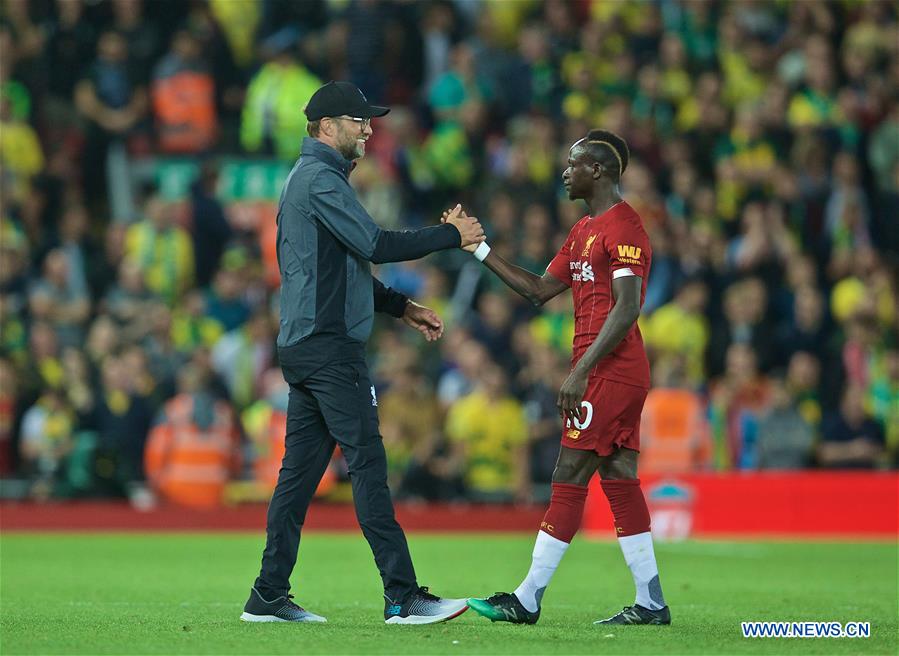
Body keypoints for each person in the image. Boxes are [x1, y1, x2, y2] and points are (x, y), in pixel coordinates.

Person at [241, 81, 485, 625]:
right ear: (328, 127)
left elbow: (341, 269)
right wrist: (450, 235)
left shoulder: (308, 180)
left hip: (307, 344)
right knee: (368, 463)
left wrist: (401, 306)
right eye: (359, 120)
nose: (369, 129)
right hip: (330, 348)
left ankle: (267, 594)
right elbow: (375, 245)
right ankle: (402, 596)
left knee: (298, 478)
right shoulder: (320, 180)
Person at [457, 130, 671, 625]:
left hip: (611, 370)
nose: (564, 172)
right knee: (619, 478)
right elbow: (537, 290)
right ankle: (651, 601)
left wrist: (581, 370)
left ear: (597, 170)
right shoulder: (582, 231)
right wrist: (480, 250)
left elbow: (627, 308)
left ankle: (527, 598)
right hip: (606, 370)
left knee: (568, 473)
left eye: (573, 164)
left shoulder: (626, 227)